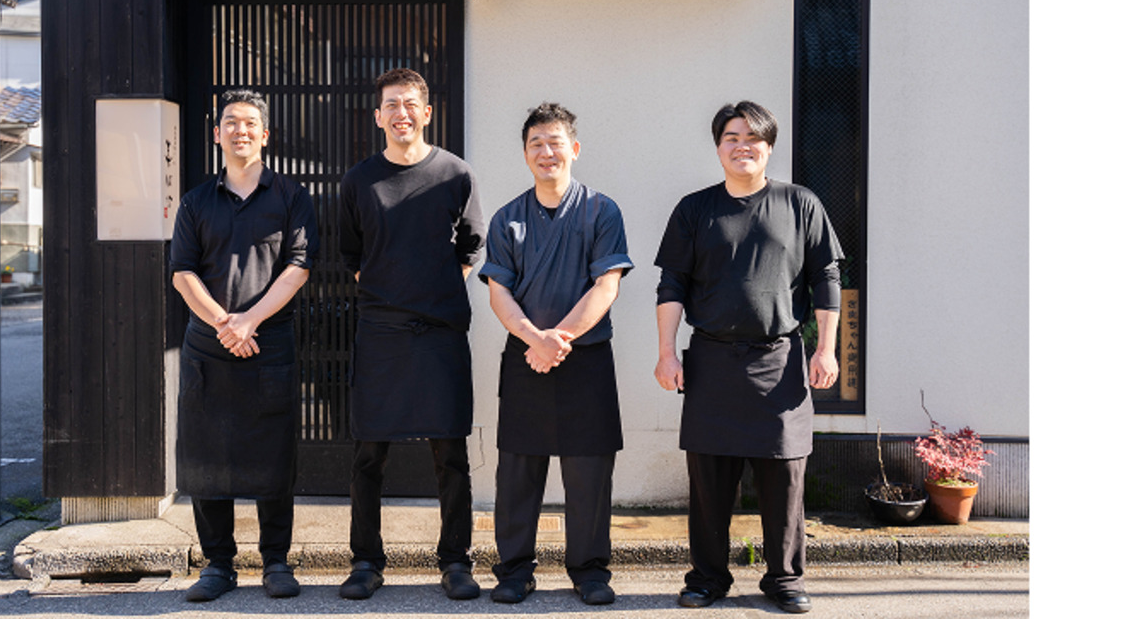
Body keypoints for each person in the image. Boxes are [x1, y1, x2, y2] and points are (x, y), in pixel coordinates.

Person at [653, 101, 843, 614]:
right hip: (711, 361)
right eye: (731, 137)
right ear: (718, 147)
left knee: (785, 480)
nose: (742, 146)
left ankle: (784, 578)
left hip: (779, 359)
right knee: (709, 483)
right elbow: (671, 284)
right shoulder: (695, 209)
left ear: (769, 146)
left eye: (752, 137)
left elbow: (826, 278)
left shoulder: (800, 203)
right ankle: (707, 578)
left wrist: (826, 349)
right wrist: (666, 353)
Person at [337, 68, 486, 601]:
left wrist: (433, 292)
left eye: (410, 104)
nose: (401, 113)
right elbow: (352, 253)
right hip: (381, 331)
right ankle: (366, 561)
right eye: (391, 105)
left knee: (451, 453)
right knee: (368, 453)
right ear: (377, 117)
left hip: (440, 332)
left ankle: (456, 560)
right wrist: (393, 292)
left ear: (426, 112)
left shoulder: (454, 174)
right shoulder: (358, 181)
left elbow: (471, 246)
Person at [479, 103, 633, 606]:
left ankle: (589, 570)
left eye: (555, 142)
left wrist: (556, 340)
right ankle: (514, 570)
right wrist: (534, 340)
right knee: (518, 469)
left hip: (585, 358)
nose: (547, 152)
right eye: (536, 144)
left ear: (575, 149)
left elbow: (607, 285)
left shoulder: (601, 211)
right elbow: (499, 292)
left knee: (589, 471)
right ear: (525, 154)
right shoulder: (507, 219)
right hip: (526, 357)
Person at [169, 89, 319, 602]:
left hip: (268, 344)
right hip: (208, 348)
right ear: (217, 134)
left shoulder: (291, 196)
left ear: (265, 134)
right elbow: (182, 272)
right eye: (231, 122)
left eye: (250, 123)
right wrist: (224, 324)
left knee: (274, 456)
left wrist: (250, 321)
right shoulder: (196, 201)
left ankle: (276, 561)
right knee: (206, 456)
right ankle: (218, 565)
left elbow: (299, 267)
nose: (241, 130)